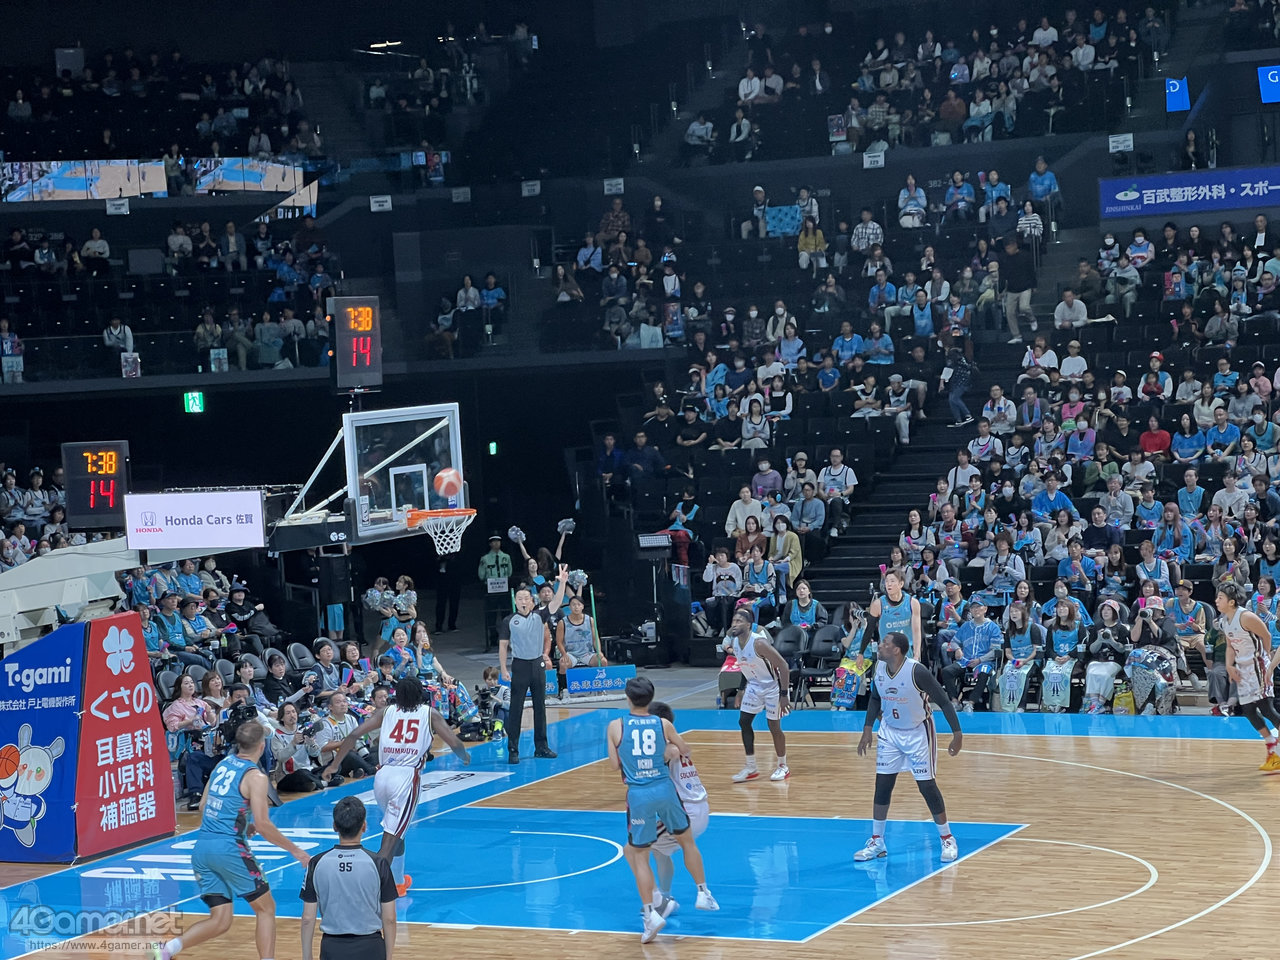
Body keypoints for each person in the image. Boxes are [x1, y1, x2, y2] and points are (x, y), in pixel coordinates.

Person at [151, 721, 310, 960]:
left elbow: (204, 806)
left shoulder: (223, 764)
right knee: (266, 909)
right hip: (229, 849)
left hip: (202, 849)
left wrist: (243, 824)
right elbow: (264, 825)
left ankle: (167, 950)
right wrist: (296, 851)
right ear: (262, 746)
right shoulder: (256, 777)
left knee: (221, 920)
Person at [323, 676, 470, 899]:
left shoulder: (386, 712)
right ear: (420, 694)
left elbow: (353, 735)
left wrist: (334, 765)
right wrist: (465, 757)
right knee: (390, 840)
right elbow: (454, 742)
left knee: (397, 832)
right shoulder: (429, 713)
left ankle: (399, 882)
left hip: (382, 777)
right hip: (405, 778)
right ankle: (369, 890)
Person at [607, 677, 718, 944]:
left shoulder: (616, 725)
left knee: (636, 853)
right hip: (673, 794)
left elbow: (614, 765)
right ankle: (702, 892)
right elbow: (685, 749)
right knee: (683, 844)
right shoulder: (663, 725)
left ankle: (652, 911)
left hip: (641, 794)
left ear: (627, 698)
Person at [854, 632, 963, 864]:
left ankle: (947, 838)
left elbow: (943, 701)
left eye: (885, 643)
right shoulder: (879, 668)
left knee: (927, 786)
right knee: (882, 785)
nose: (880, 646)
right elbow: (875, 698)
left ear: (896, 650)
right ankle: (877, 840)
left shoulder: (916, 671)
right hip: (889, 732)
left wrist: (957, 734)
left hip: (917, 732)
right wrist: (867, 728)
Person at [299, 796, 397, 960]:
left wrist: (307, 957)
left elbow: (308, 918)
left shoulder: (316, 863)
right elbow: (390, 919)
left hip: (332, 948)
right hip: (371, 947)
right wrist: (388, 956)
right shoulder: (379, 864)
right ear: (364, 826)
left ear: (334, 826)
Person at [498, 568, 569, 763]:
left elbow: (556, 603)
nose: (522, 601)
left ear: (532, 601)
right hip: (520, 665)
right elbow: (503, 646)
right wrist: (503, 668)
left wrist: (562, 583)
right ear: (515, 601)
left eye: (526, 598)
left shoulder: (540, 615)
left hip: (537, 664)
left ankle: (541, 746)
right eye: (519, 598)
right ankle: (513, 749)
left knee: (540, 706)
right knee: (516, 708)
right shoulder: (509, 620)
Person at [646, 701, 709, 908]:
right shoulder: (679, 744)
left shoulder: (668, 747)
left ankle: (671, 898)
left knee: (637, 848)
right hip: (700, 806)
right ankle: (666, 897)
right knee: (660, 850)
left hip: (686, 810)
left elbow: (671, 753)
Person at [723, 607, 791, 782]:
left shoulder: (759, 643)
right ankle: (751, 767)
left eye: (739, 621)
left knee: (773, 726)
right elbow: (745, 667)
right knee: (744, 721)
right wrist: (741, 690)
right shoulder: (735, 643)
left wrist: (784, 695)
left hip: (773, 686)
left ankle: (783, 766)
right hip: (754, 685)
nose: (734, 624)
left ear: (749, 625)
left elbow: (783, 666)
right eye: (733, 621)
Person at [1216, 584, 1280, 769]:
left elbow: (1267, 636)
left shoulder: (1246, 617)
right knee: (1248, 710)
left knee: (1266, 708)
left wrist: (1265, 658)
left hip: (1258, 666)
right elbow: (1230, 646)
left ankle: (1276, 752)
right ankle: (1272, 747)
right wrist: (1229, 666)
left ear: (1231, 602)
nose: (1216, 601)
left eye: (1220, 597)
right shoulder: (1225, 620)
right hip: (1243, 669)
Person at [869, 569, 923, 659]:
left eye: (892, 581)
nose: (889, 584)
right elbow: (869, 629)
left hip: (907, 651)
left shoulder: (912, 603)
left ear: (901, 584)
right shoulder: (878, 604)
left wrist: (917, 655)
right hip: (886, 652)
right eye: (886, 581)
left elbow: (917, 631)